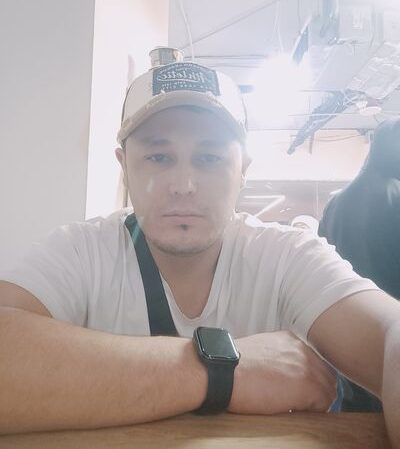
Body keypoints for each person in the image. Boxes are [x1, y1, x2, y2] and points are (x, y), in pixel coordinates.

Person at [0, 53, 399, 446]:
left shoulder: (286, 256)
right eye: (158, 157)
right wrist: (222, 370)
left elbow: (388, 335)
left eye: (209, 158)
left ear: (242, 169)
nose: (183, 186)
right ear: (125, 168)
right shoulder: (81, 252)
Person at [318, 117, 400, 413]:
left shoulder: (336, 203)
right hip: (392, 330)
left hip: (348, 333)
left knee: (358, 416)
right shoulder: (395, 195)